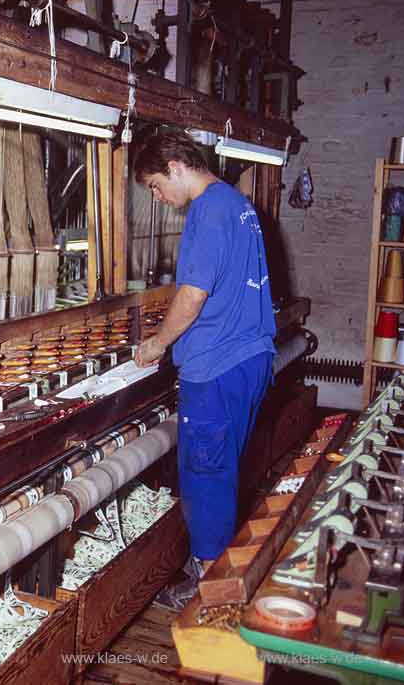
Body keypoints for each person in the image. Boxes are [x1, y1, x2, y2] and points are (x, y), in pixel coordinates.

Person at [132, 131, 275, 604]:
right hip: (247, 359)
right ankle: (218, 577)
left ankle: (208, 597)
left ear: (174, 165)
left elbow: (192, 298)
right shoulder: (238, 204)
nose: (157, 197)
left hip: (216, 366)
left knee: (206, 475)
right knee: (224, 469)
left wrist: (157, 343)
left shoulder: (207, 210)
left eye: (154, 185)